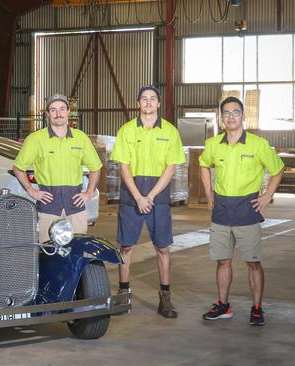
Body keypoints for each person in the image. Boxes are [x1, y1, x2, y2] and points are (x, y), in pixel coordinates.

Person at [199, 96, 284, 326]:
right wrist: (209, 196)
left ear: (243, 116)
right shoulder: (213, 145)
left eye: (235, 112)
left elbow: (277, 169)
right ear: (221, 117)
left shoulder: (258, 145)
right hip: (221, 211)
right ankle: (223, 305)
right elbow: (204, 165)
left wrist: (267, 196)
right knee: (222, 261)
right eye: (226, 113)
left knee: (253, 262)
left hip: (247, 210)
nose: (231, 117)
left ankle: (256, 307)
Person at [110, 85, 185, 318]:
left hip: (158, 197)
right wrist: (138, 196)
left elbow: (171, 167)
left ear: (159, 104)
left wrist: (150, 197)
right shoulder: (127, 130)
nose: (149, 102)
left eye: (153, 99)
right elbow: (124, 166)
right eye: (144, 99)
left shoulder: (171, 132)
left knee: (162, 247)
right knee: (127, 247)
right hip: (132, 196)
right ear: (138, 103)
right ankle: (123, 295)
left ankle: (165, 298)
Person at [13, 93, 102, 242]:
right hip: (48, 207)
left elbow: (96, 168)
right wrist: (31, 190)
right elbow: (18, 167)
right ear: (47, 114)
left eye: (62, 109)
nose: (58, 114)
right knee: (47, 251)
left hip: (75, 206)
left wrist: (89, 193)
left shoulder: (81, 138)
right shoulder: (36, 139)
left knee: (77, 249)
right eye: (53, 110)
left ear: (68, 112)